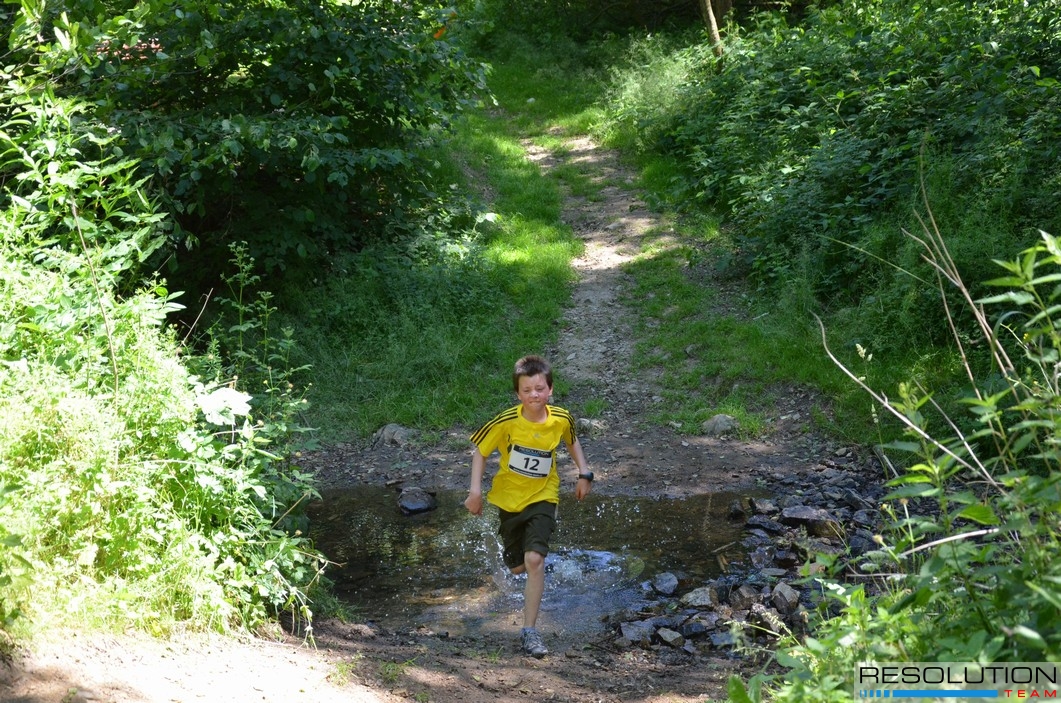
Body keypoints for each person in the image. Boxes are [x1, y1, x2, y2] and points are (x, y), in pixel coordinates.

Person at [464, 355, 594, 658]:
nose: (534, 395)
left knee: (534, 560)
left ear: (550, 389)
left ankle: (529, 631)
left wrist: (584, 472)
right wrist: (475, 492)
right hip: (509, 500)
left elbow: (571, 440)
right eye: (527, 390)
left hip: (544, 496)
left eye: (539, 389)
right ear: (517, 394)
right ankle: (538, 563)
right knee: (518, 566)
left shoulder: (561, 418)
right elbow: (480, 452)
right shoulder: (506, 421)